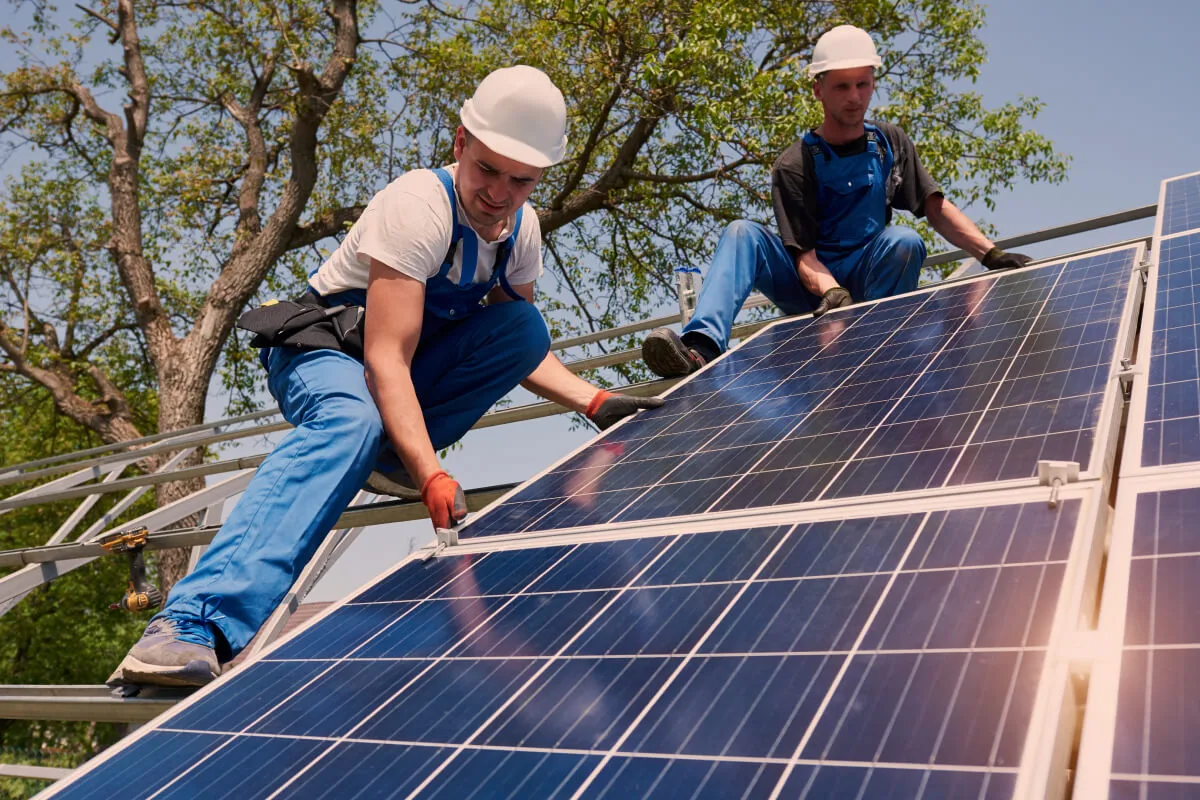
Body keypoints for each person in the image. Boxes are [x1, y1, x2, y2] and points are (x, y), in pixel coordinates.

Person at [113, 66, 662, 687]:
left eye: (522, 180)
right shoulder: (417, 208)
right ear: (461, 144)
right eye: (487, 169)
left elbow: (518, 349)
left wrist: (596, 401)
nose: (499, 193)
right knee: (349, 421)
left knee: (525, 326)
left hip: (397, 375)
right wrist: (431, 470)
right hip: (328, 354)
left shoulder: (521, 233)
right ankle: (191, 624)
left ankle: (389, 456)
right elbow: (385, 360)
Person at [641, 24, 1033, 378]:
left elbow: (933, 206)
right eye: (842, 86)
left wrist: (990, 254)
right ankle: (701, 349)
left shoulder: (888, 144)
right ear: (818, 89)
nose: (854, 97)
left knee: (904, 241)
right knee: (741, 233)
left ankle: (880, 349)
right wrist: (830, 290)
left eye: (863, 84)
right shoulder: (795, 164)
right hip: (811, 287)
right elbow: (803, 256)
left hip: (869, 277)